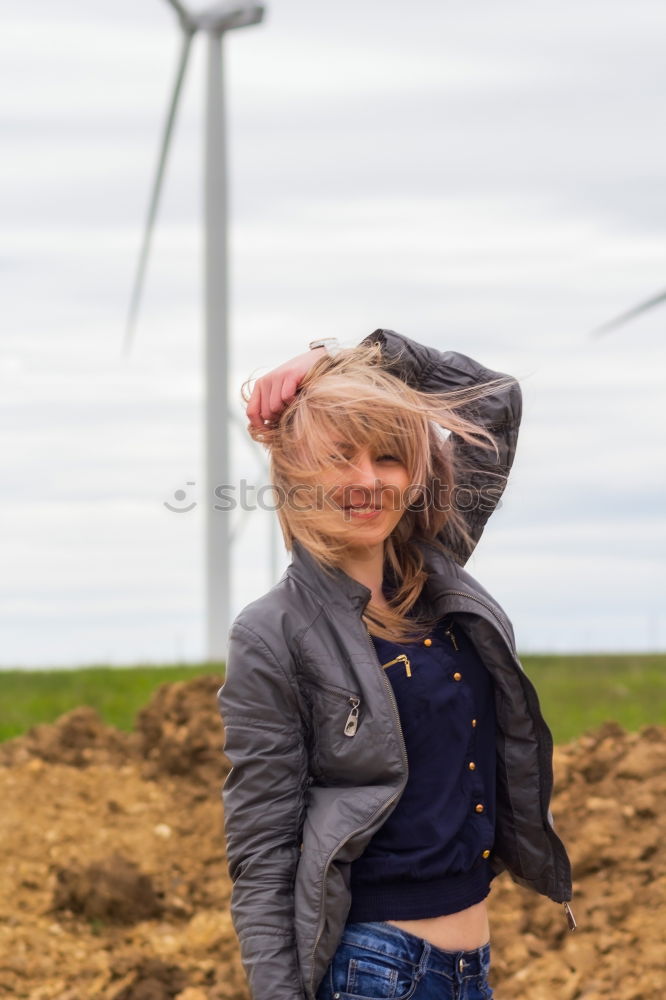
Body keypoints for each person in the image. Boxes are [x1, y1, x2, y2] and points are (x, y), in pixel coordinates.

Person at [217, 329, 574, 1000]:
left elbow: (493, 398)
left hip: (471, 970)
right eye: (339, 456)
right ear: (296, 473)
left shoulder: (437, 573)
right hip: (372, 970)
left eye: (388, 458)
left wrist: (347, 356)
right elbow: (262, 852)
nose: (366, 479)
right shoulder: (273, 633)